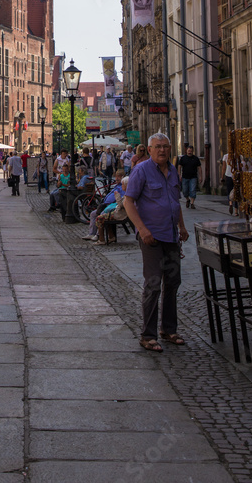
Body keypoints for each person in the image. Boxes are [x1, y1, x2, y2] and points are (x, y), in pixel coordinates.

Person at [124, 132, 189, 352]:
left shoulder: (173, 172)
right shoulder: (141, 170)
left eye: (165, 146)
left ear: (170, 149)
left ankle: (168, 329)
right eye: (157, 146)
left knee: (172, 282)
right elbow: (129, 201)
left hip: (171, 235)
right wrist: (142, 230)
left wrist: (181, 226)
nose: (162, 150)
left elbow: (175, 202)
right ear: (149, 150)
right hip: (151, 236)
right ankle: (148, 334)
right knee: (153, 284)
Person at [82, 169, 125, 241]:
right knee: (93, 214)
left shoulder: (123, 187)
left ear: (122, 177)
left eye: (119, 177)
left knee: (100, 216)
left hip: (113, 206)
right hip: (106, 205)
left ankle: (98, 235)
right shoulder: (116, 186)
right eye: (116, 176)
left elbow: (121, 200)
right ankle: (91, 233)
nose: (116, 178)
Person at [178, 145, 202, 209]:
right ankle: (187, 199)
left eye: (191, 151)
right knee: (185, 191)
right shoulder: (183, 158)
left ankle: (192, 203)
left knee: (193, 190)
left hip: (193, 177)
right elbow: (179, 166)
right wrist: (179, 175)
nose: (189, 152)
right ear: (186, 151)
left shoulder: (195, 159)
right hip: (185, 177)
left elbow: (199, 167)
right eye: (188, 150)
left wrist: (200, 177)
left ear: (192, 151)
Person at [220, 150, 235, 215]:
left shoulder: (226, 156)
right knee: (236, 191)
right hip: (236, 175)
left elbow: (224, 167)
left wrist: (222, 177)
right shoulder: (239, 156)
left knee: (229, 190)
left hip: (228, 175)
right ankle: (236, 210)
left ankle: (230, 203)